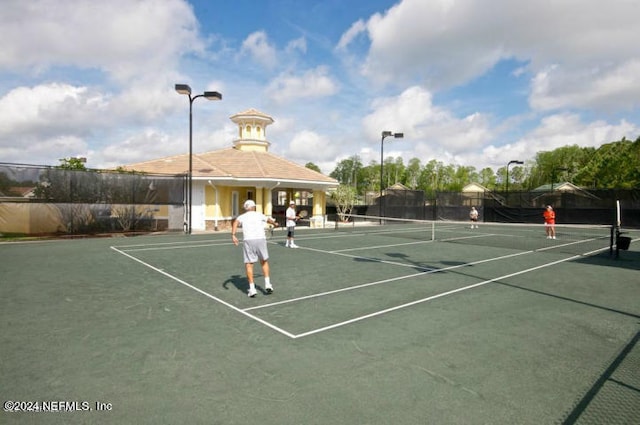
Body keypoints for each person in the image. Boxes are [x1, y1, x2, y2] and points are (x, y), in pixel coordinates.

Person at [231, 200, 279, 297]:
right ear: (254, 207)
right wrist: (274, 224)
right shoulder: (259, 215)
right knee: (264, 262)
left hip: (249, 241)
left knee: (249, 264)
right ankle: (268, 284)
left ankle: (252, 289)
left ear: (246, 208)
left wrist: (233, 235)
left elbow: (235, 222)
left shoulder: (242, 217)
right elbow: (268, 219)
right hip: (260, 239)